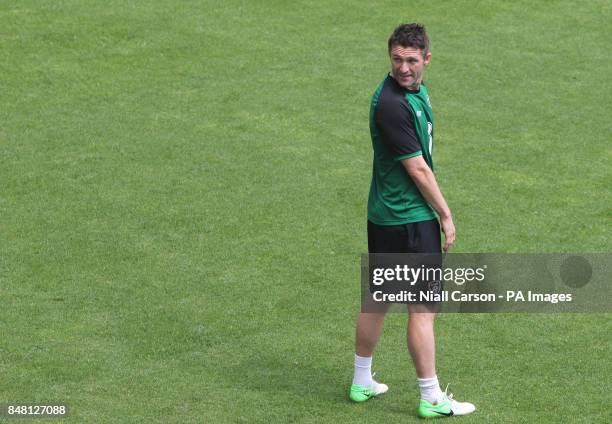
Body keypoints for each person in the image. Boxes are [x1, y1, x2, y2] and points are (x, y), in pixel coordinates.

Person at [349, 23, 476, 418]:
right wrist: (445, 213)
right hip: (410, 219)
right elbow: (418, 169)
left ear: (426, 59)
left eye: (411, 60)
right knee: (422, 309)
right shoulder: (392, 104)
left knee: (379, 298)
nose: (403, 67)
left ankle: (361, 380)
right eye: (397, 59)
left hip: (385, 215)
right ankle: (431, 397)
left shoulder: (412, 92)